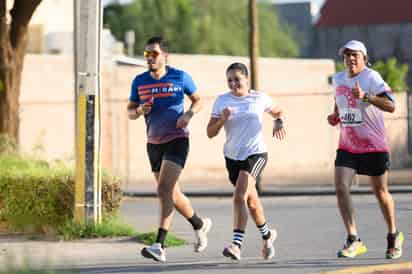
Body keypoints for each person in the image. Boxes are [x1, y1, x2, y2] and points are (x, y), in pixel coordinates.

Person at [127, 36, 212, 263]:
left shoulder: (180, 77)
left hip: (177, 140)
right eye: (146, 54)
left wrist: (188, 114)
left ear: (165, 56)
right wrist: (139, 111)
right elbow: (130, 111)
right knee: (173, 194)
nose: (149, 58)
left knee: (164, 190)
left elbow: (198, 100)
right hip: (153, 144)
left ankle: (159, 245)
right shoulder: (139, 81)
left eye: (154, 54)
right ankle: (200, 224)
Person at [327, 40, 404, 259]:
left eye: (355, 55)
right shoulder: (339, 78)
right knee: (341, 187)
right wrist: (335, 116)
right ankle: (353, 239)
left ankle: (393, 235)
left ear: (364, 58)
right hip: (348, 146)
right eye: (347, 55)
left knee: (380, 193)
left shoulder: (371, 77)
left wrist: (367, 97)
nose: (350, 59)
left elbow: (391, 105)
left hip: (373, 145)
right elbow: (339, 102)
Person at [207, 62, 286, 261]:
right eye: (230, 80)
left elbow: (278, 111)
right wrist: (222, 119)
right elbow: (210, 133)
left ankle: (236, 245)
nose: (233, 84)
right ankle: (268, 236)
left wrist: (278, 121)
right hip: (232, 157)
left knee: (239, 196)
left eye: (237, 79)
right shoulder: (221, 101)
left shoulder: (259, 98)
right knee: (251, 202)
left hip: (256, 154)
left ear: (247, 79)